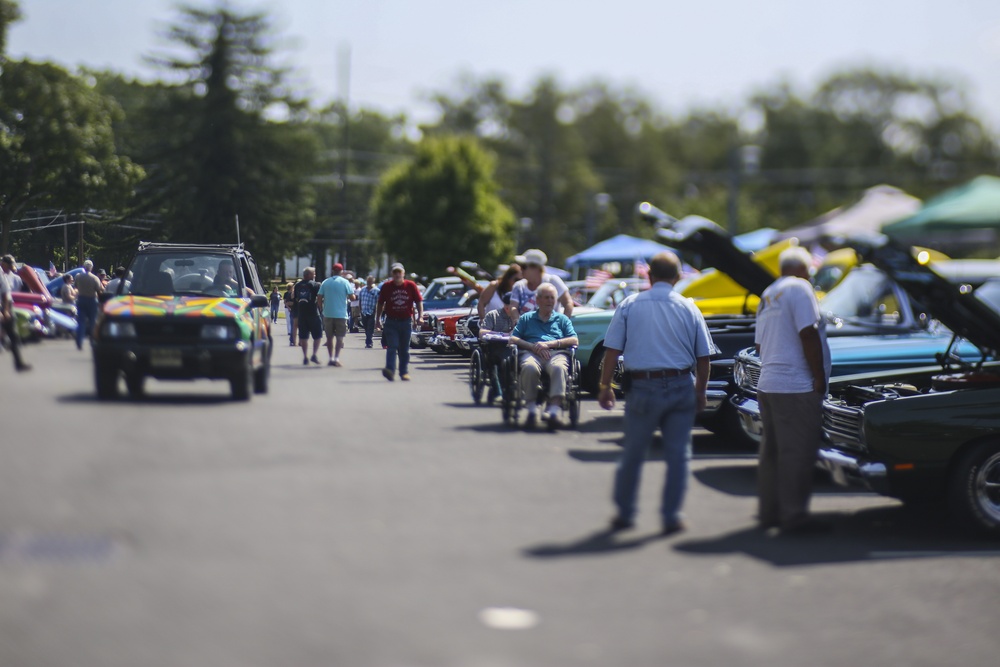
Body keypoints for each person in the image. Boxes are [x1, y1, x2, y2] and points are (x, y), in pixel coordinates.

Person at [597, 251, 715, 536]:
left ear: (649, 275)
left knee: (633, 454)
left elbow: (612, 352)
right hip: (680, 385)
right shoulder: (689, 308)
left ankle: (625, 514)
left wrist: (604, 387)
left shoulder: (630, 304)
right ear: (678, 277)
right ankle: (671, 516)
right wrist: (701, 391)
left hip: (643, 387)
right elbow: (703, 359)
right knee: (678, 456)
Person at [754, 246, 832, 535]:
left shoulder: (768, 293)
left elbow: (760, 345)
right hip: (795, 385)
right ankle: (794, 517)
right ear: (803, 270)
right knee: (797, 453)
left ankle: (769, 513)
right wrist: (818, 375)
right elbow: (808, 333)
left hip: (768, 383)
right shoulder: (799, 289)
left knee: (772, 453)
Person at [509, 283, 579, 431]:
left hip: (556, 352)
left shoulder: (562, 319)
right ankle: (532, 409)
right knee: (529, 367)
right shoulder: (526, 318)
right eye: (546, 297)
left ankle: (553, 411)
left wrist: (550, 344)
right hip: (531, 352)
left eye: (552, 298)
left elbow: (574, 340)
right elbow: (513, 339)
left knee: (559, 368)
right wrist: (532, 346)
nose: (549, 301)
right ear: (538, 300)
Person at [375, 262, 423, 381]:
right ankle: (390, 370)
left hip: (406, 322)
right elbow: (380, 303)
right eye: (395, 273)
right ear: (392, 274)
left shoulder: (410, 285)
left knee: (404, 349)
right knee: (392, 346)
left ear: (403, 274)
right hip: (391, 322)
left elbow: (418, 301)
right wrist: (378, 320)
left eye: (399, 273)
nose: (397, 275)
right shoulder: (386, 286)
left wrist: (420, 316)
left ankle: (404, 372)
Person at [507, 249, 574, 319]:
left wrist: (562, 325)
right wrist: (519, 324)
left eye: (523, 267)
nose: (520, 269)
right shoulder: (518, 286)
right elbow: (513, 306)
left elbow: (568, 303)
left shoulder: (552, 281)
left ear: (536, 268)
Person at [317, 263, 356, 366]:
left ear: (332, 271)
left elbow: (319, 297)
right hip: (341, 314)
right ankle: (336, 358)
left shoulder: (325, 282)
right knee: (339, 338)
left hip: (328, 313)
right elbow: (352, 298)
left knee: (329, 338)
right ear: (342, 272)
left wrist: (320, 308)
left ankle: (331, 358)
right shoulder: (345, 282)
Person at [0, 260, 31, 371]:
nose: (10, 268)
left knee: (14, 336)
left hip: (4, 307)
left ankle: (19, 363)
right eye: (8, 266)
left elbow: (6, 293)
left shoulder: (1, 274)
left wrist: (6, 311)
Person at [293, 267, 323, 365]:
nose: (315, 275)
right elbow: (320, 297)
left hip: (302, 313)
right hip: (314, 313)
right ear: (309, 275)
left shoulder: (297, 285)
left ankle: (305, 356)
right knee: (318, 335)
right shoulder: (316, 285)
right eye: (313, 273)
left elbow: (296, 297)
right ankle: (314, 354)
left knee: (303, 336)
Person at [74, 260, 104, 350]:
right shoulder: (95, 278)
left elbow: (76, 287)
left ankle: (79, 341)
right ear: (91, 267)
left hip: (81, 299)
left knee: (81, 321)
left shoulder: (78, 277)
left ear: (83, 267)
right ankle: (92, 341)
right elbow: (99, 290)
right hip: (92, 300)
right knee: (92, 322)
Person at [357, 275, 380, 349]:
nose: (369, 283)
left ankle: (369, 342)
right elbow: (360, 300)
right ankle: (368, 339)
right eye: (368, 281)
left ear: (373, 282)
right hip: (364, 312)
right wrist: (360, 310)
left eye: (370, 281)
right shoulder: (362, 290)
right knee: (366, 327)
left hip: (372, 312)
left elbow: (379, 302)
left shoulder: (376, 291)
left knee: (370, 327)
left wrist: (376, 312)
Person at [283, 281, 296, 346]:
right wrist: (288, 307)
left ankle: (293, 338)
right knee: (291, 322)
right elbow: (286, 302)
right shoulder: (288, 294)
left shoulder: (294, 293)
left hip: (293, 310)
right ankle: (292, 337)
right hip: (291, 309)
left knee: (293, 324)